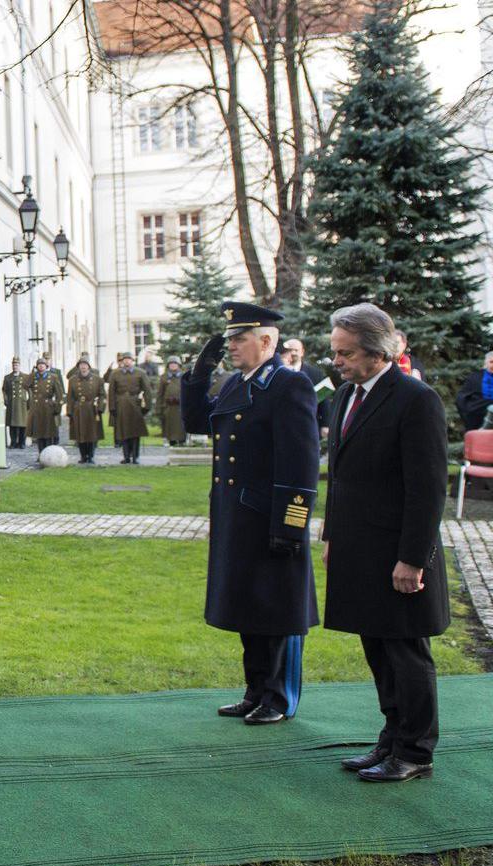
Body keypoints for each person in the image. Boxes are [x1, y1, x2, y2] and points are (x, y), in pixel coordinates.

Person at [321, 303, 449, 783]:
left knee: (405, 653)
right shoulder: (346, 396)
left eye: (346, 353)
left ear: (377, 353)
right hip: (359, 550)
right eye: (335, 352)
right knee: (377, 647)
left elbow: (427, 488)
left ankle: (415, 750)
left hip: (398, 554)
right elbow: (343, 477)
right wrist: (332, 534)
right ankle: (392, 737)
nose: (337, 361)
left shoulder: (415, 399)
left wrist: (412, 559)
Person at [181, 301, 320, 726]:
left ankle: (278, 697)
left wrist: (291, 526)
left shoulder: (287, 385)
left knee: (275, 609)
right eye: (229, 340)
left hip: (269, 518)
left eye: (239, 339)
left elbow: (301, 463)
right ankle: (255, 690)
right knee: (247, 605)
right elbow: (197, 423)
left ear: (267, 340)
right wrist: (198, 375)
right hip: (237, 518)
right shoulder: (236, 383)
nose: (232, 346)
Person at [281, 338, 332, 440]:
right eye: (290, 350)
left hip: (309, 426)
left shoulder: (316, 373)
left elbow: (324, 399)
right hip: (283, 427)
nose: (293, 353)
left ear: (302, 352)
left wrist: (325, 424)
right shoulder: (278, 372)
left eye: (296, 350)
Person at [107, 351, 153, 464]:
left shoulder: (140, 373)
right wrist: (112, 407)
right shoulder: (115, 374)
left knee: (135, 432)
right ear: (122, 361)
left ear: (133, 361)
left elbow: (147, 390)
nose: (127, 361)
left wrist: (147, 406)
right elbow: (111, 391)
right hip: (121, 405)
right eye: (124, 359)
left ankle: (135, 456)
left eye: (129, 359)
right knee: (123, 432)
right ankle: (126, 456)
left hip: (135, 405)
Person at [65, 358, 105, 464]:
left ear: (89, 366)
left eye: (85, 364)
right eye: (81, 365)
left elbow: (102, 395)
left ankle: (91, 456)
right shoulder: (73, 380)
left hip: (92, 409)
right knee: (80, 433)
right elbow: (70, 397)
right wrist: (69, 410)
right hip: (79, 409)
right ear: (78, 367)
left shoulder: (97, 379)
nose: (83, 367)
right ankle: (83, 456)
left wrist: (100, 408)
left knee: (91, 433)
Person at [27, 357, 65, 453]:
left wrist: (57, 407)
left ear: (46, 366)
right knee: (39, 433)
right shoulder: (34, 377)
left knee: (48, 432)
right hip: (37, 408)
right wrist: (32, 374)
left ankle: (48, 452)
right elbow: (25, 385)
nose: (41, 366)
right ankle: (41, 453)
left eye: (43, 364)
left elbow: (59, 394)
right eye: (39, 365)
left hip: (48, 407)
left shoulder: (53, 377)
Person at [453, 351, 493, 432]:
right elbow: (461, 399)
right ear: (486, 363)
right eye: (491, 362)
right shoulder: (474, 377)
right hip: (477, 419)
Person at [156, 356, 187, 446]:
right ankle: (172, 447)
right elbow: (160, 394)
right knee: (170, 432)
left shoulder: (184, 376)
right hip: (168, 407)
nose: (173, 365)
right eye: (171, 364)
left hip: (180, 407)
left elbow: (188, 392)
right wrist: (159, 408)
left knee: (181, 430)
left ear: (179, 365)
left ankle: (182, 445)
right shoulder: (164, 377)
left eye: (175, 364)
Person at [2, 356, 31, 449]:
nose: (15, 367)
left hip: (22, 404)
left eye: (17, 365)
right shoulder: (7, 378)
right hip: (12, 404)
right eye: (14, 365)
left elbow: (30, 391)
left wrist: (29, 403)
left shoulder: (25, 377)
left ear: (20, 366)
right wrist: (6, 400)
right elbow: (4, 390)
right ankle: (13, 442)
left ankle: (22, 442)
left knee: (23, 425)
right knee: (12, 425)